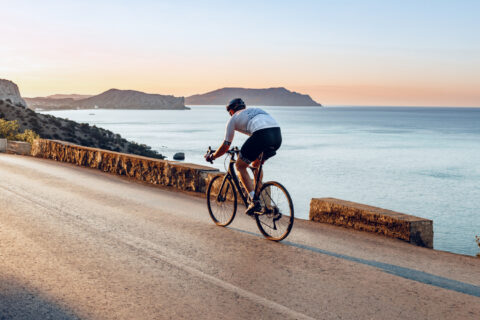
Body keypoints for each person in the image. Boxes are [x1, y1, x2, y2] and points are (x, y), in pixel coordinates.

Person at [205, 98, 282, 215]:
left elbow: (226, 145)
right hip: (277, 136)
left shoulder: (233, 119)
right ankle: (259, 196)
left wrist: (213, 156)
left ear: (231, 111)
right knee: (256, 164)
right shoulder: (256, 110)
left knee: (240, 166)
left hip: (261, 135)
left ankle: (254, 201)